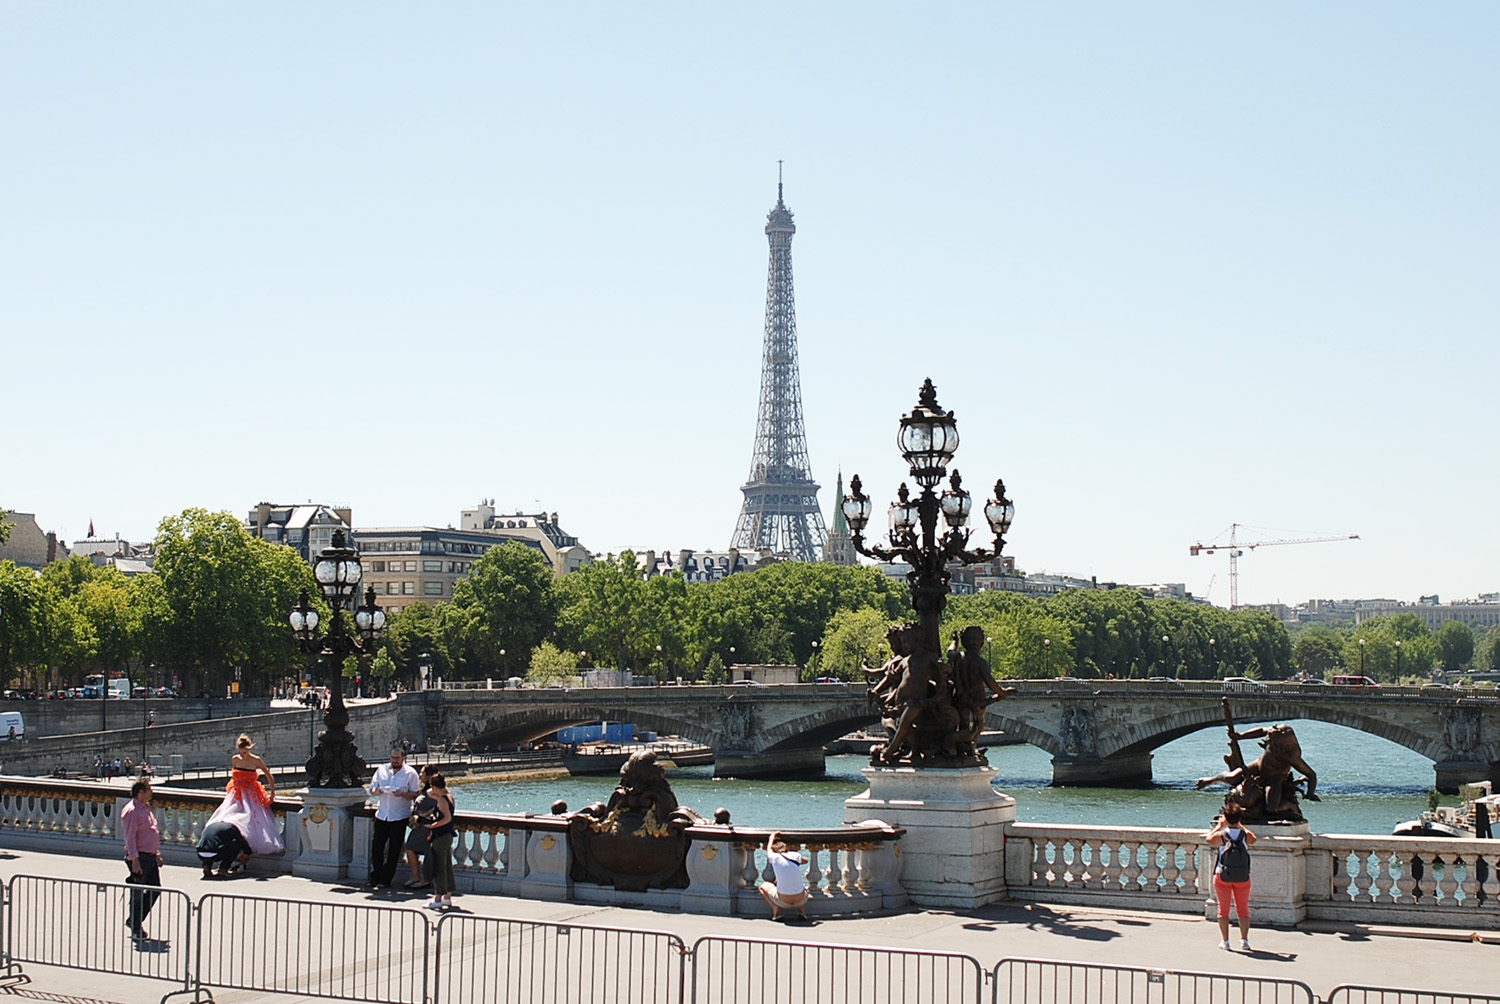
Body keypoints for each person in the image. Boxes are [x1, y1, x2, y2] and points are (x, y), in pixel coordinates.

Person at [206, 735, 283, 855]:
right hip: (237, 792)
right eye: (241, 752)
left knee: (253, 818)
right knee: (231, 816)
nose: (243, 755)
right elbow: (233, 776)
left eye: (245, 752)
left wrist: (272, 794)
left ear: (249, 749)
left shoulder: (256, 760)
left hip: (251, 793)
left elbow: (269, 776)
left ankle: (247, 846)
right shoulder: (235, 759)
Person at [367, 747, 421, 889]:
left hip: (400, 815)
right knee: (377, 847)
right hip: (382, 814)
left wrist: (403, 794)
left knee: (394, 849)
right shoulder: (381, 770)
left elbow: (415, 793)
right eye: (392, 758)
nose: (394, 761)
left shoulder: (410, 773)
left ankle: (386, 879)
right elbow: (371, 788)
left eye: (397, 758)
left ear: (403, 758)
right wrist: (376, 791)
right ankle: (375, 876)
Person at [1207, 803, 1258, 951]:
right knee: (1243, 908)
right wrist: (1241, 826)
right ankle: (1244, 940)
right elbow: (1253, 839)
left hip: (1222, 875)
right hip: (1242, 876)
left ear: (1226, 818)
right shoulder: (1244, 835)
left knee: (1223, 909)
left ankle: (1226, 941)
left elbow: (1209, 839)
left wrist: (1219, 826)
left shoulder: (1222, 835)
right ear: (1239, 818)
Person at [121, 777, 162, 941]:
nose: (152, 791)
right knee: (137, 893)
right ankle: (136, 926)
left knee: (155, 889)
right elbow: (130, 837)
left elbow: (151, 831)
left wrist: (157, 853)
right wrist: (135, 860)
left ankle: (134, 920)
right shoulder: (132, 811)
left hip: (150, 856)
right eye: (149, 788)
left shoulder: (145, 808)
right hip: (139, 857)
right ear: (140, 792)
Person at [757, 831, 809, 923]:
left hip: (783, 901)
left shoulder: (774, 857)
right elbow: (806, 861)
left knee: (763, 886)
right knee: (800, 886)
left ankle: (775, 909)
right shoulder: (795, 855)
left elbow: (768, 849)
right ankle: (802, 913)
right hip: (801, 900)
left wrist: (771, 838)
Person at [402, 765, 439, 890]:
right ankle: (416, 876)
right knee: (410, 847)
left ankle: (424, 879)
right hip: (419, 826)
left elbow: (442, 805)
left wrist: (427, 813)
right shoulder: (425, 790)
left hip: (428, 826)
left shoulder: (436, 791)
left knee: (427, 852)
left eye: (422, 773)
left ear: (429, 776)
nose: (420, 775)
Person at [424, 773, 456, 911]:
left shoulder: (442, 799)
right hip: (448, 836)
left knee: (439, 867)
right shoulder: (449, 796)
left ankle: (438, 898)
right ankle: (447, 896)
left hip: (441, 836)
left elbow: (447, 818)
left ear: (435, 786)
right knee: (447, 865)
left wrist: (432, 825)